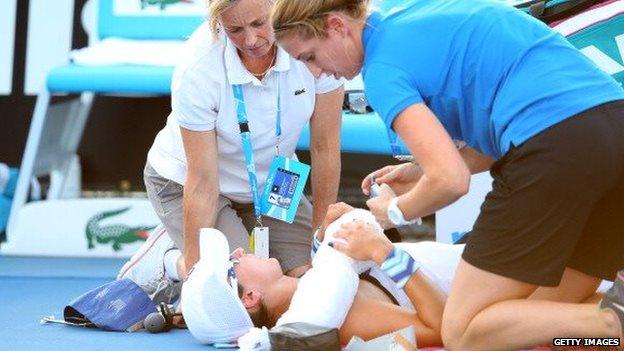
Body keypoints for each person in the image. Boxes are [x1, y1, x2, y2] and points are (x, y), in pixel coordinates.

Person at [270, 0, 624, 349]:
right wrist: (420, 169)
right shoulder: (419, 16)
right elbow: (502, 132)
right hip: (613, 134)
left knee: (464, 333)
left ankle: (613, 322)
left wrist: (392, 213)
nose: (316, 73)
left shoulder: (380, 69)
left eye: (309, 57)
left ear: (336, 27)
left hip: (554, 149)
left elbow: (451, 180)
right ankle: (610, 325)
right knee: (537, 318)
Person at [142, 0, 344, 292]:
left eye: (260, 24)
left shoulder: (313, 42)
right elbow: (201, 182)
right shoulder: (197, 67)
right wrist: (198, 283)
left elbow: (325, 147)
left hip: (272, 181)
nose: (250, 40)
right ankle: (171, 261)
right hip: (189, 184)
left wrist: (321, 236)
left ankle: (207, 247)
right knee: (249, 291)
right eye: (234, 29)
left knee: (311, 281)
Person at [180, 203, 449, 347]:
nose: (239, 250)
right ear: (251, 297)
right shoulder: (345, 320)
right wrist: (385, 254)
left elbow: (324, 276)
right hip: (485, 280)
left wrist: (323, 240)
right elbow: (442, 329)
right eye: (232, 262)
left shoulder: (319, 288)